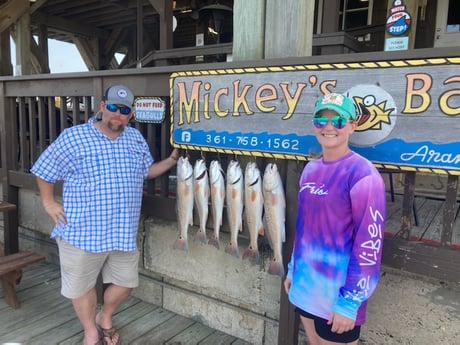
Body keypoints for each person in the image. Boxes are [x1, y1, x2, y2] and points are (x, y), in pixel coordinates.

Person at [31, 84, 179, 345]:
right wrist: (48, 203)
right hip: (82, 231)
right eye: (112, 107)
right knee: (83, 287)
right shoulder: (74, 137)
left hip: (122, 231)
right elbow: (44, 169)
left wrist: (171, 162)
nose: (117, 114)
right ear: (102, 107)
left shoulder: (135, 138)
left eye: (123, 110)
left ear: (131, 113)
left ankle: (105, 316)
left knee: (126, 284)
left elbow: (146, 171)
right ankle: (90, 330)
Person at [284, 93, 386, 345]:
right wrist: (292, 269)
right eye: (321, 119)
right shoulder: (310, 169)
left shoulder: (363, 174)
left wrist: (350, 301)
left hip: (338, 298)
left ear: (352, 125)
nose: (329, 126)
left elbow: (369, 244)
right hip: (305, 287)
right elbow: (304, 228)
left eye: (338, 120)